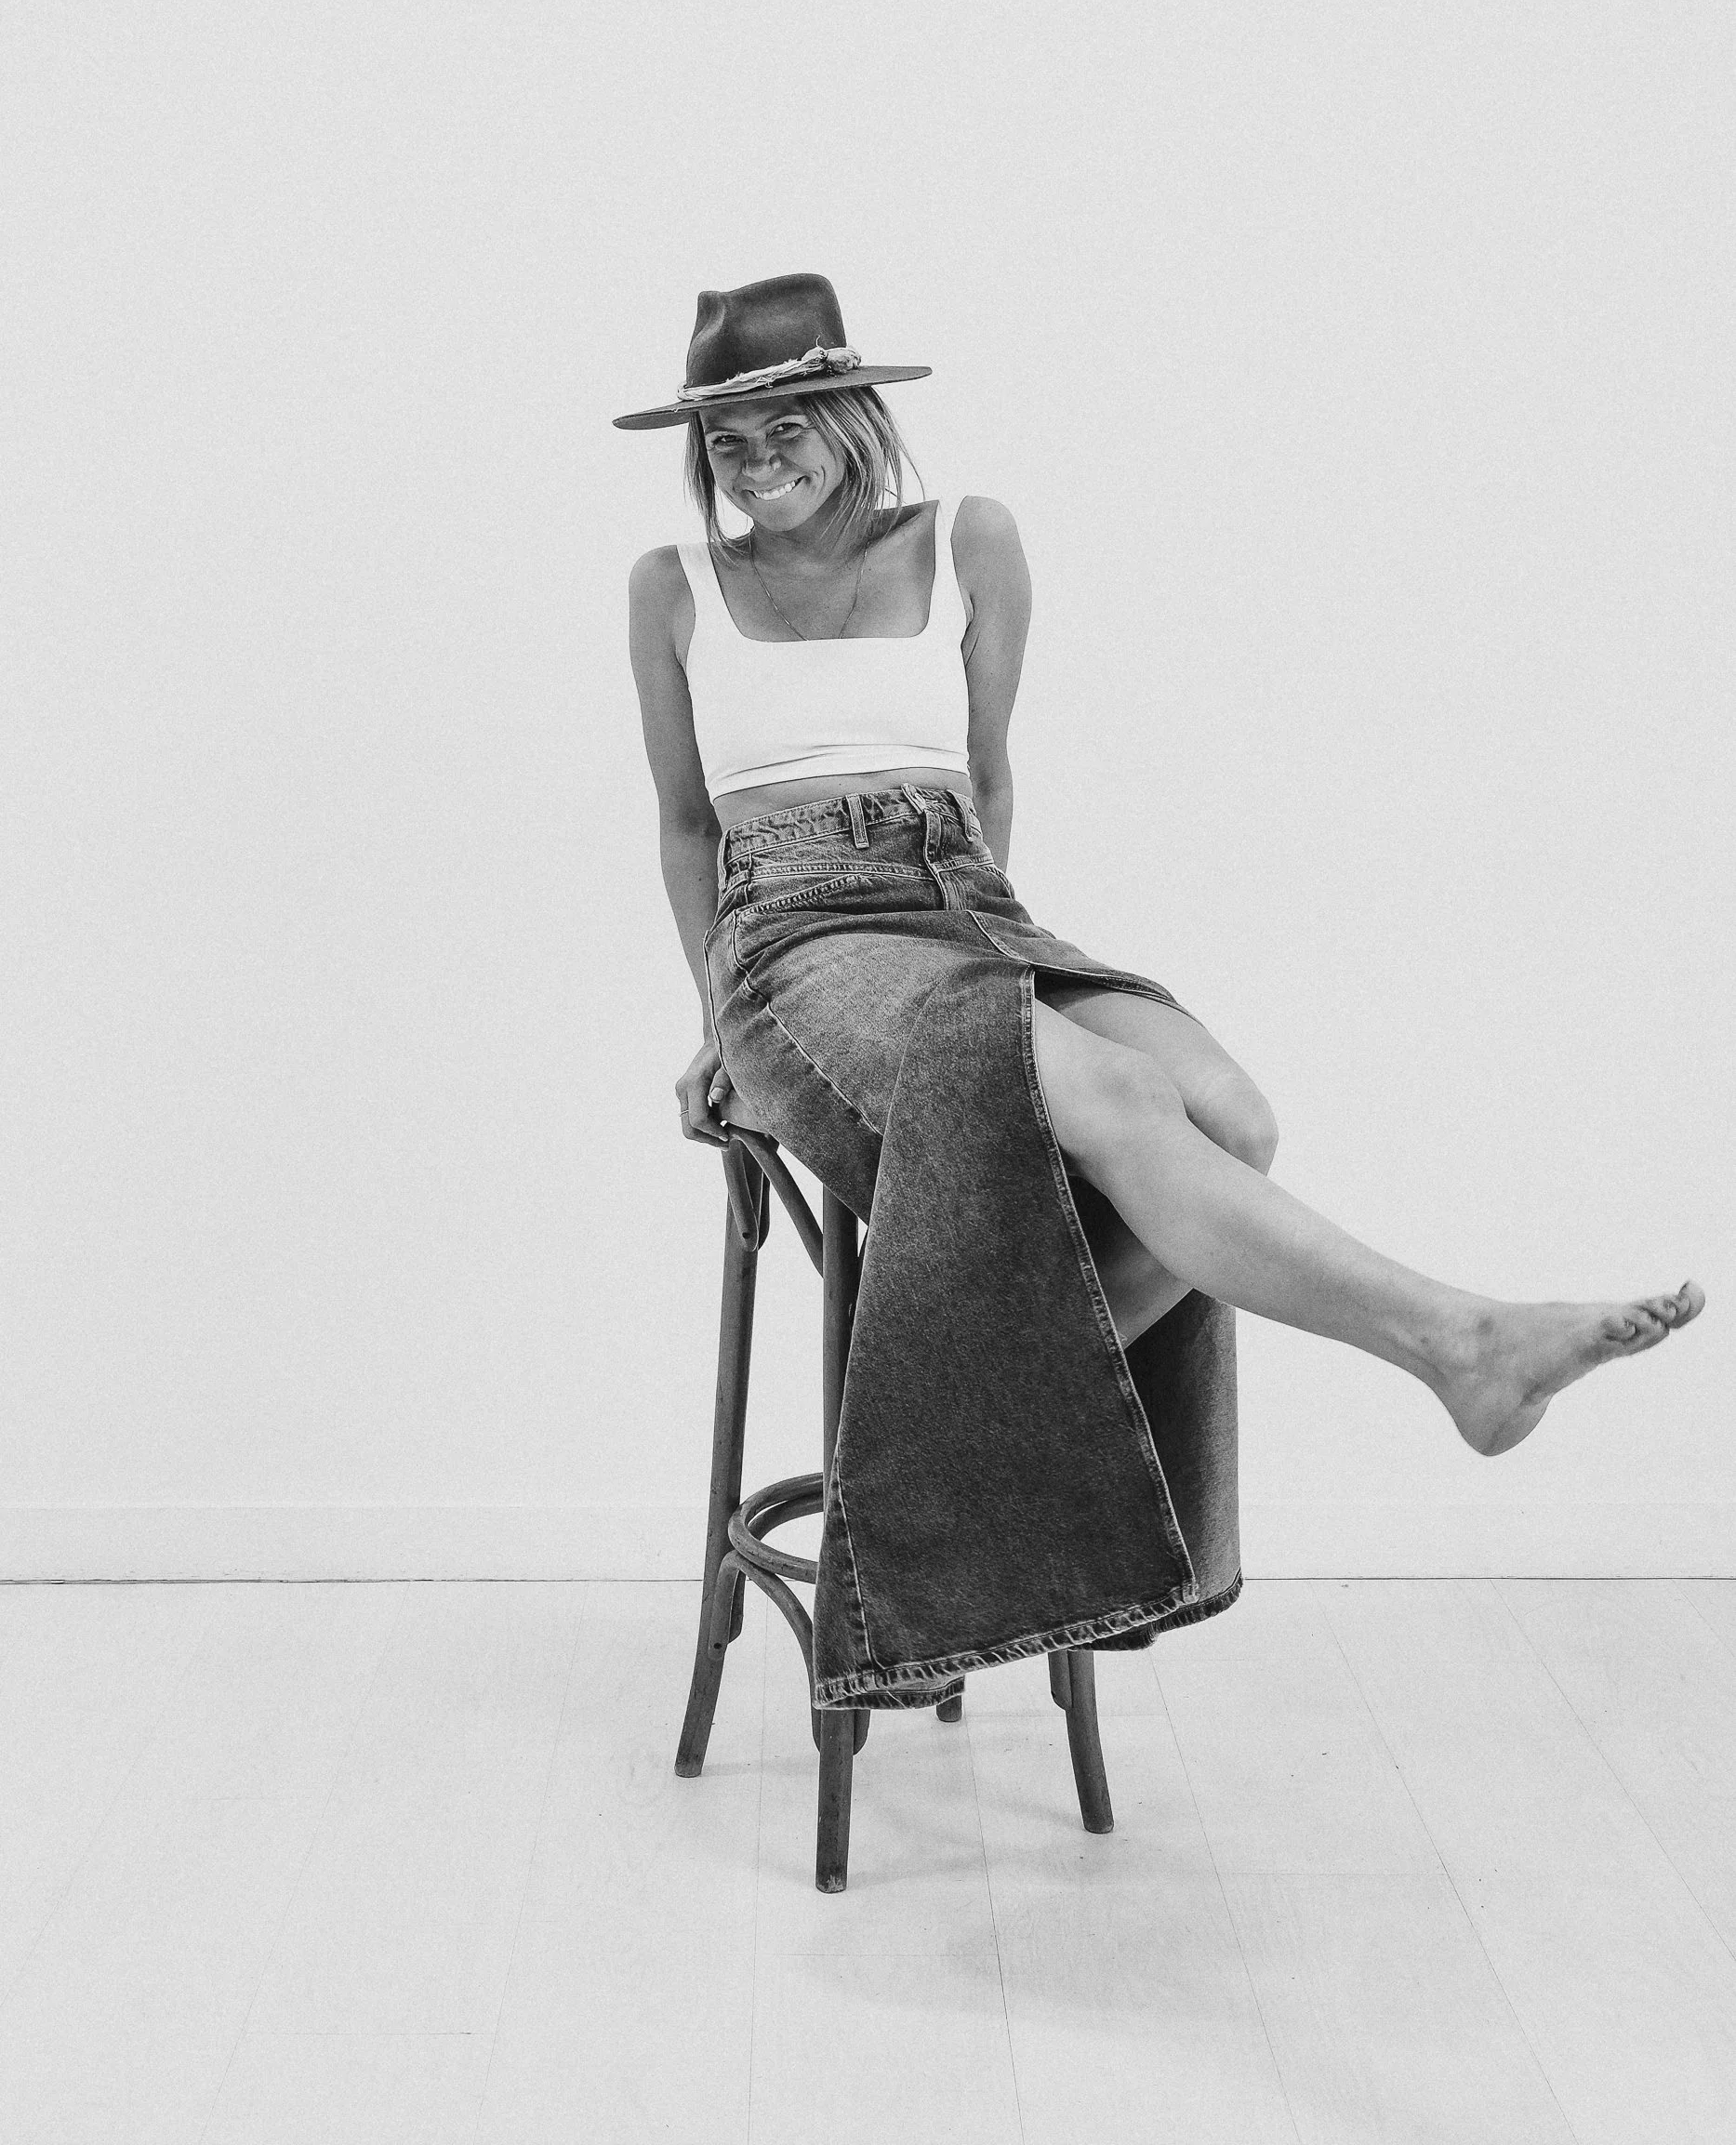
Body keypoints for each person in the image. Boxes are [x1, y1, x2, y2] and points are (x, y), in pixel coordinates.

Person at [624, 272, 1701, 1472]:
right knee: (1119, 1099)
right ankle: (1459, 1342)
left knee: (1233, 1118)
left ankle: (968, 1429)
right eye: (727, 445)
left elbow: (987, 778)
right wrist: (713, 1018)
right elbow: (686, 826)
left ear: (851, 418)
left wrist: (977, 956)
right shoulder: (673, 585)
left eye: (786, 430)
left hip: (964, 905)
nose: (758, 465)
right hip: (795, 938)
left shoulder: (970, 540)